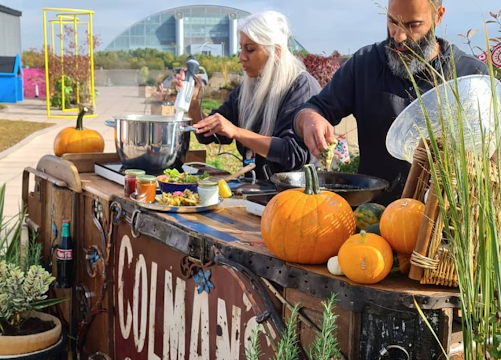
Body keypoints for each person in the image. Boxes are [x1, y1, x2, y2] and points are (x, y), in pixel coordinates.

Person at [293, 0, 488, 205]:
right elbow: (314, 109)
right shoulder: (365, 64)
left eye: (412, 25)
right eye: (392, 21)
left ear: (438, 15)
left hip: (446, 222)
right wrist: (309, 119)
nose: (399, 36)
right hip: (372, 221)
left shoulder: (471, 76)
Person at [176, 11, 321, 180]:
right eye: (241, 48)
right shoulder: (248, 88)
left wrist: (237, 132)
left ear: (276, 51)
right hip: (256, 189)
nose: (241, 57)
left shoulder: (301, 88)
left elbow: (293, 154)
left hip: (295, 194)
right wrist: (193, 104)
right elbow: (208, 135)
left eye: (250, 49)